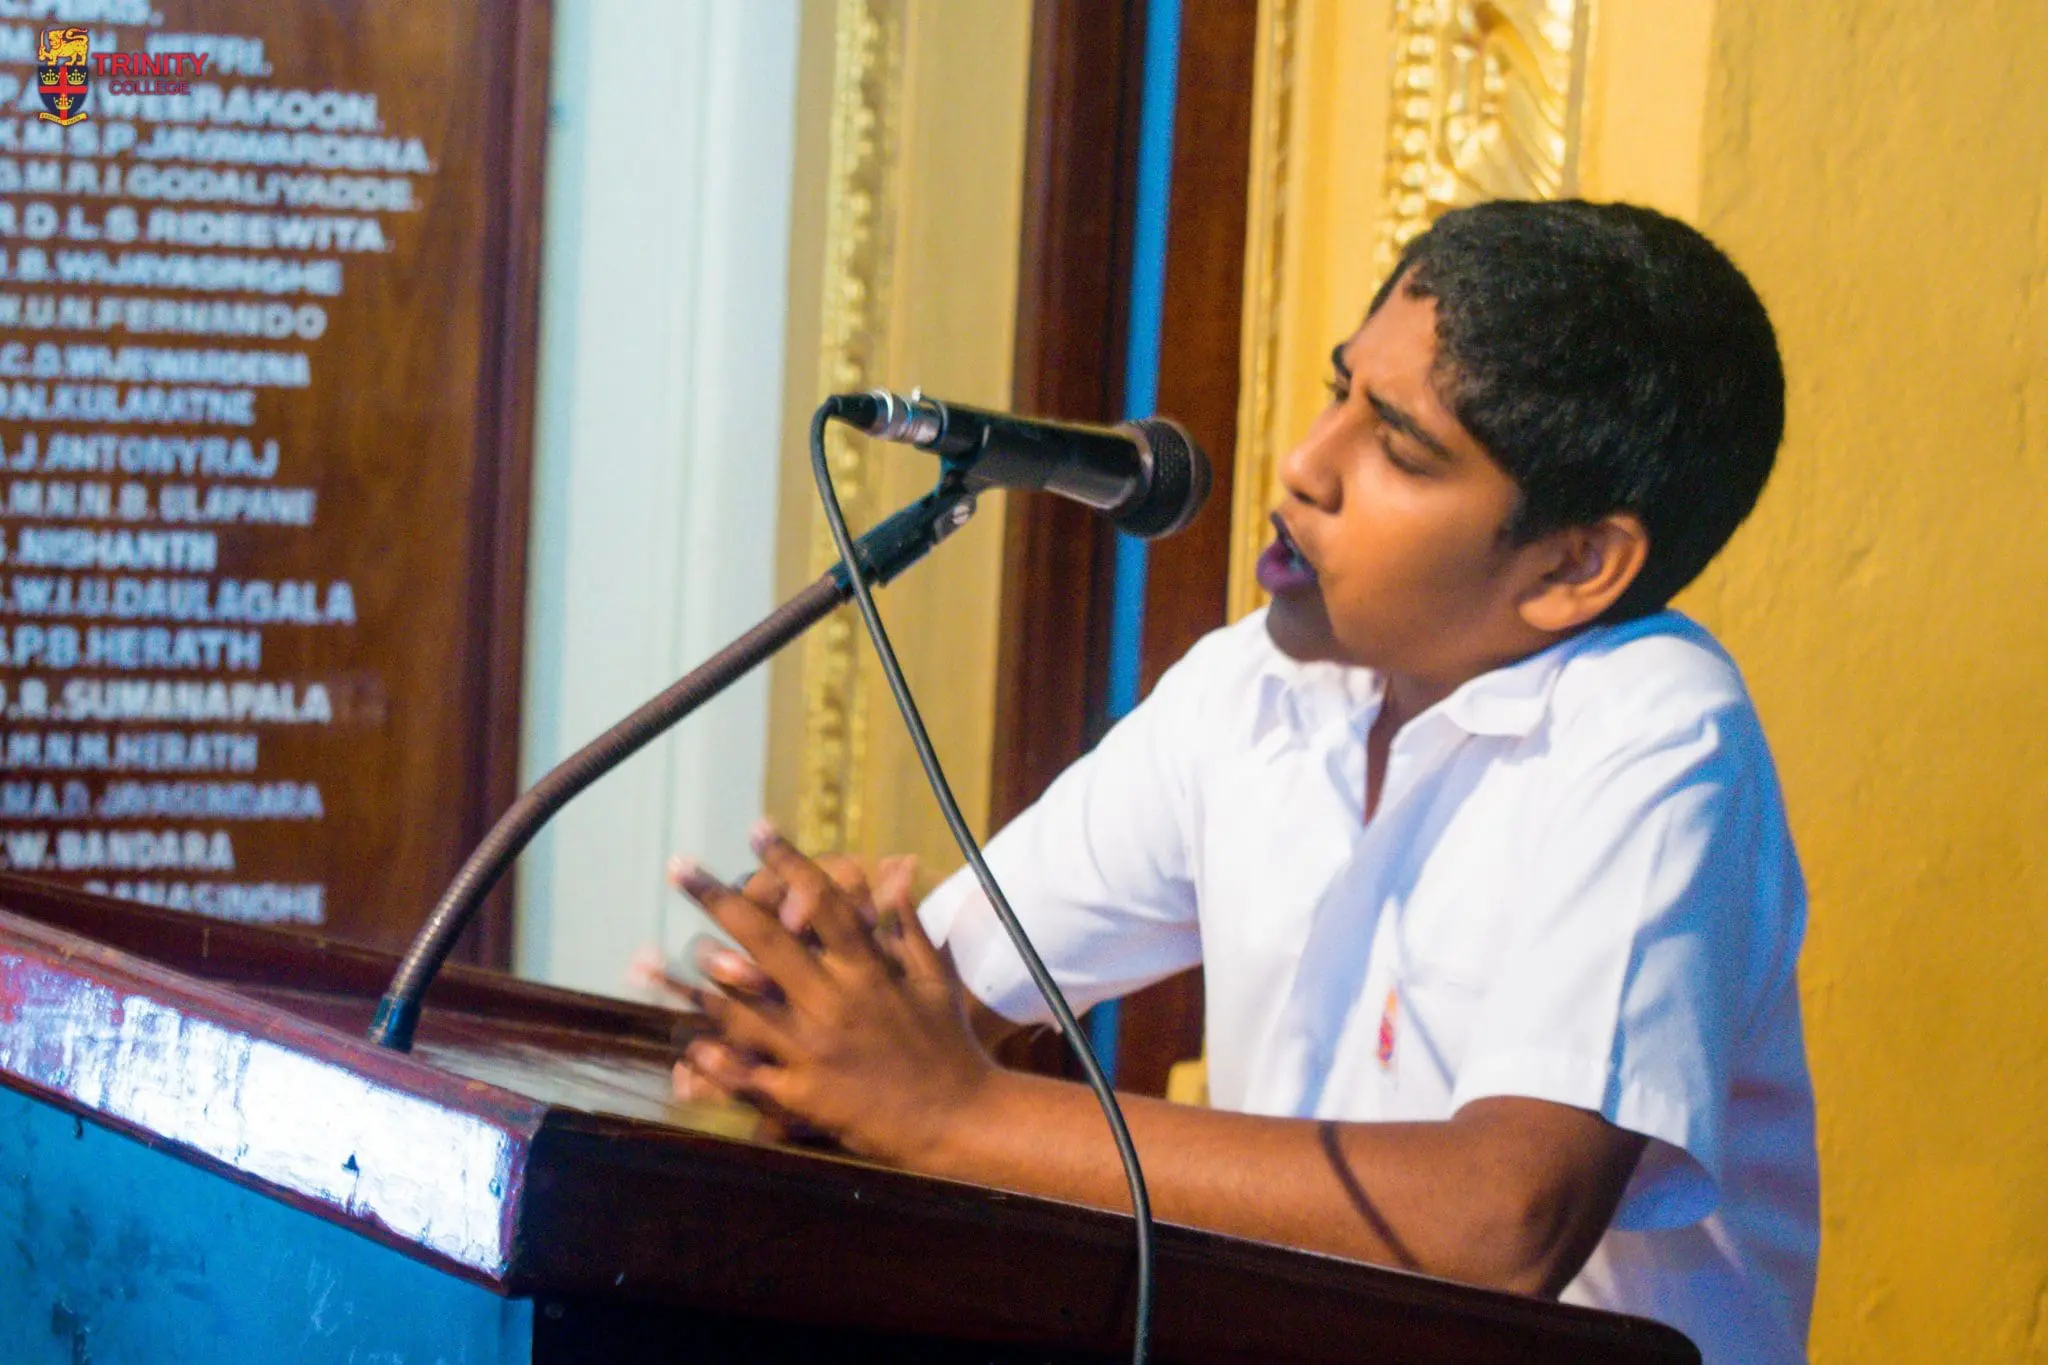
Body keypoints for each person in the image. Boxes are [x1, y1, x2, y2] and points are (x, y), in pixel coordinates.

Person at [654, 200, 1819, 1364]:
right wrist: (821, 993)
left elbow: (1499, 1221)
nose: (1304, 465)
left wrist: (957, 1114)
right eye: (1336, 392)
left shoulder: (1659, 729)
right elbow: (940, 1003)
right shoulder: (1254, 688)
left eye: (1398, 447)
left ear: (1573, 564)